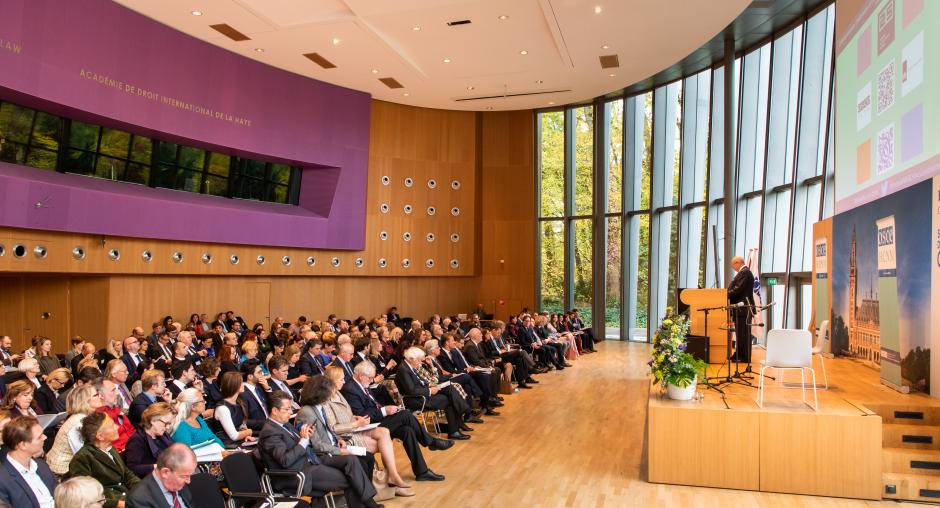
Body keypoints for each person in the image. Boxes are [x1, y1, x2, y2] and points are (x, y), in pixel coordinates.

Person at [258, 391, 383, 508]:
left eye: (290, 408)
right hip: (297, 474)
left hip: (311, 461)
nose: (291, 412)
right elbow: (286, 460)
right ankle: (367, 504)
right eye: (287, 409)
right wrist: (304, 440)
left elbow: (300, 445)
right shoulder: (270, 432)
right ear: (275, 411)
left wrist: (307, 436)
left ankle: (362, 503)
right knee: (351, 478)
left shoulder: (284, 424)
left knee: (350, 460)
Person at [313, 368, 414, 496]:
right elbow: (333, 428)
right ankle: (388, 482)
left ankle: (392, 476)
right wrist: (355, 424)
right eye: (341, 379)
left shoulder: (338, 394)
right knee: (383, 444)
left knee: (384, 432)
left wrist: (356, 418)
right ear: (332, 381)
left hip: (354, 429)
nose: (344, 382)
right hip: (345, 437)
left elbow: (346, 414)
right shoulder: (326, 400)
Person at [67, 412, 140, 508]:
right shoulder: (82, 458)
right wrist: (117, 504)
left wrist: (142, 487)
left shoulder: (110, 448)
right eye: (111, 426)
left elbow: (127, 474)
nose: (117, 427)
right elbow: (86, 495)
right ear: (100, 436)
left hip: (127, 496)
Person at [0, 416, 58, 507]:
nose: (45, 437)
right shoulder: (3, 480)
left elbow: (59, 495)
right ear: (22, 445)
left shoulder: (41, 465)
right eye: (39, 437)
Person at [46, 384, 102, 476]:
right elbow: (83, 453)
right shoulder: (78, 422)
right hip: (62, 472)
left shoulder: (84, 417)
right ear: (85, 401)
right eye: (96, 395)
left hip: (72, 467)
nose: (100, 396)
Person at [126, 443, 196, 508]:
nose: (188, 481)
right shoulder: (138, 500)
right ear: (165, 472)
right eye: (184, 476)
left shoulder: (177, 481)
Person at [124, 403, 176, 478]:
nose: (167, 427)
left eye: (169, 424)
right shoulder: (137, 441)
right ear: (153, 420)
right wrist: (157, 467)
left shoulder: (163, 434)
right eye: (166, 423)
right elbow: (132, 468)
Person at [213, 372, 256, 446]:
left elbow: (241, 427)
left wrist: (246, 435)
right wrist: (249, 431)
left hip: (238, 442)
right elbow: (234, 436)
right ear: (234, 385)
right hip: (228, 445)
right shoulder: (222, 408)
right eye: (241, 383)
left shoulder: (239, 402)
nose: (243, 384)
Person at [93, 378, 136, 453]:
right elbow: (111, 446)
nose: (117, 393)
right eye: (113, 390)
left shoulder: (114, 408)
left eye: (116, 389)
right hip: (124, 453)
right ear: (101, 395)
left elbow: (131, 430)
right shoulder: (100, 417)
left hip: (134, 444)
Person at [728, 255, 756, 363]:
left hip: (743, 308)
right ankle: (739, 354)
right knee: (740, 334)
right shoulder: (744, 272)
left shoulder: (745, 272)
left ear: (737, 262)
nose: (733, 268)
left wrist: (725, 294)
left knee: (743, 334)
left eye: (733, 265)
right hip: (740, 309)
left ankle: (744, 356)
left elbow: (738, 289)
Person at [239, 359, 270, 431]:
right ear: (250, 376)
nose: (262, 374)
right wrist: (267, 423)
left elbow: (273, 404)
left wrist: (267, 389)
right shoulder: (242, 393)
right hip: (260, 430)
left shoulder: (260, 386)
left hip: (271, 425)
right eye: (259, 372)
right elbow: (244, 420)